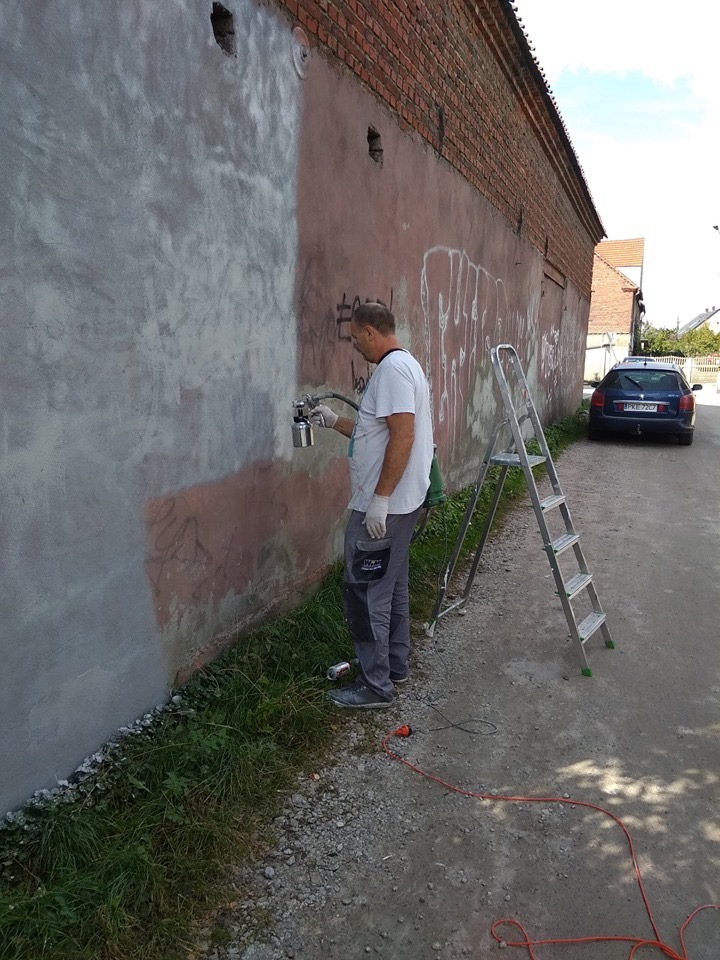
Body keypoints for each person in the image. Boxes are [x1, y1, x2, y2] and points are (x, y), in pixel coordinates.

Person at [310, 302, 433, 709]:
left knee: (366, 594)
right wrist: (331, 421)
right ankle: (395, 665)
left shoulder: (393, 371)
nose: (355, 346)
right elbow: (375, 432)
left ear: (369, 332)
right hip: (401, 503)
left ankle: (375, 686)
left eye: (354, 338)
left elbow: (403, 437)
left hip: (385, 507)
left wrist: (379, 500)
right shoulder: (404, 366)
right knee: (392, 585)